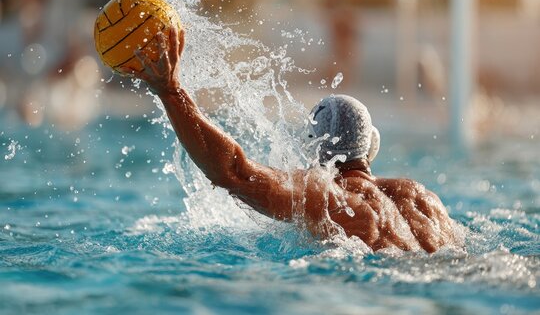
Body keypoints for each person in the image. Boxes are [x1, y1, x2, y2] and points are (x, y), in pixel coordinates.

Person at [119, 27, 460, 253]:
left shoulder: (324, 194)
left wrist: (170, 91)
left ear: (314, 148)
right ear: (371, 145)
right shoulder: (422, 197)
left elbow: (233, 173)